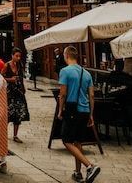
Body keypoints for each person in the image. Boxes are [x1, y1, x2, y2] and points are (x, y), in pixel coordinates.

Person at [58, 46, 101, 183]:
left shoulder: (65, 71)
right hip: (85, 110)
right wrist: (91, 115)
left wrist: (60, 110)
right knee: (78, 141)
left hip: (72, 109)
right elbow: (92, 96)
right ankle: (77, 172)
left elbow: (62, 94)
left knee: (66, 140)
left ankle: (90, 166)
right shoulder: (86, 73)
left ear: (66, 55)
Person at [2, 48, 30, 143]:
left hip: (19, 92)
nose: (18, 58)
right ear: (12, 55)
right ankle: (3, 134)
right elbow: (1, 77)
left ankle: (15, 135)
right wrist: (10, 79)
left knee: (18, 114)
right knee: (8, 113)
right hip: (10, 92)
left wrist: (23, 87)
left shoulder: (20, 65)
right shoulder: (6, 65)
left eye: (19, 56)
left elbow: (21, 77)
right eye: (16, 56)